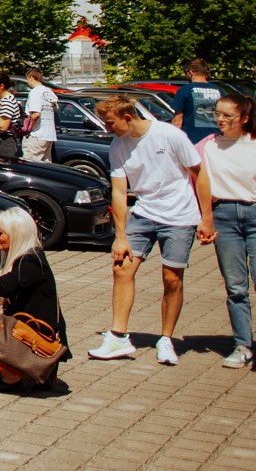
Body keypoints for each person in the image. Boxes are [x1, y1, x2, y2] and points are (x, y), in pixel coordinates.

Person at [88, 95, 205, 364]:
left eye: (110, 123)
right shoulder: (117, 145)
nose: (107, 128)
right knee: (121, 268)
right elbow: (119, 192)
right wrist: (120, 236)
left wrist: (206, 217)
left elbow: (198, 173)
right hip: (143, 212)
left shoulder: (169, 135)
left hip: (179, 215)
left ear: (128, 117)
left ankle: (166, 339)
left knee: (171, 279)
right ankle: (117, 337)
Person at [0, 207, 64, 391]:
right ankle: (21, 370)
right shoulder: (14, 258)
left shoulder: (31, 262)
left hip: (34, 339)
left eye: (0, 233)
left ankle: (12, 378)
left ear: (16, 235)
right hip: (17, 331)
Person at [198, 91, 256, 368]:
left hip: (254, 212)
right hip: (224, 217)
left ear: (244, 118)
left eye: (227, 115)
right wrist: (206, 218)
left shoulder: (252, 143)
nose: (220, 119)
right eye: (217, 113)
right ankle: (243, 345)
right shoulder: (209, 146)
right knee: (235, 287)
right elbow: (198, 179)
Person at [169, 58, 224, 145]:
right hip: (216, 139)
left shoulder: (184, 90)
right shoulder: (218, 90)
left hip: (192, 141)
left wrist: (172, 142)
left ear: (191, 72)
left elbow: (177, 121)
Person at [20, 67, 59, 164]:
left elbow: (36, 114)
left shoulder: (35, 92)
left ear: (31, 78)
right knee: (45, 165)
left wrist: (27, 129)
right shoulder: (49, 92)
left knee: (30, 165)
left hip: (36, 135)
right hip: (49, 135)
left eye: (27, 79)